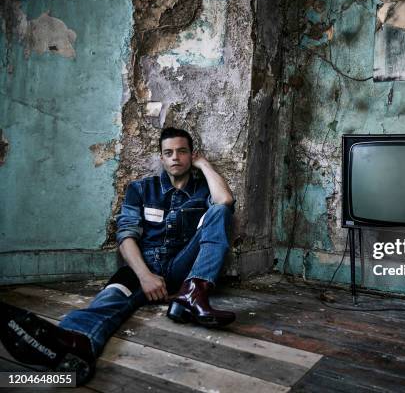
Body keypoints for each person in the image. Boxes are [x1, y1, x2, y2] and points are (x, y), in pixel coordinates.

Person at [0, 127, 236, 385]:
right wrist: (145, 276)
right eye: (168, 153)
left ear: (191, 155)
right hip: (142, 266)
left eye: (182, 152)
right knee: (111, 296)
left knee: (219, 212)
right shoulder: (141, 189)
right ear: (161, 157)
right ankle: (74, 342)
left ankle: (193, 292)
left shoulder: (203, 190)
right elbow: (126, 237)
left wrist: (204, 164)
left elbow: (224, 200)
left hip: (183, 266)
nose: (175, 158)